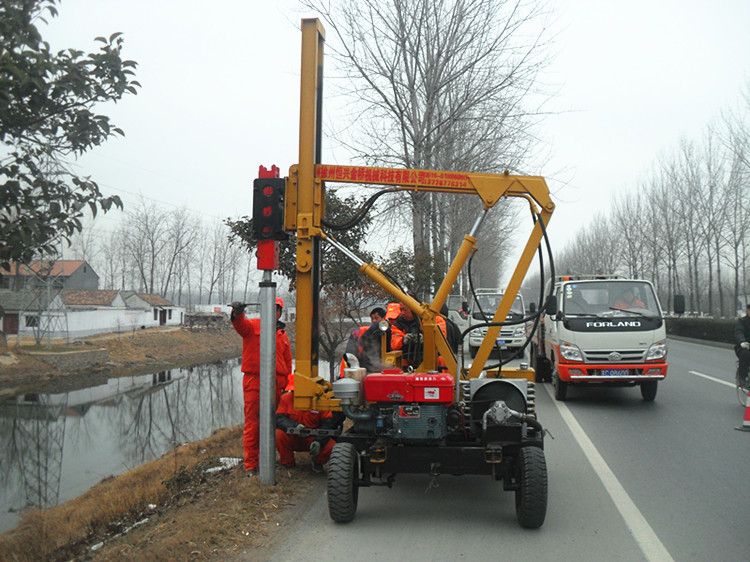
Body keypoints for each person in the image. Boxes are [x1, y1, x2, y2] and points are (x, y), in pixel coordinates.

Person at [230, 297, 292, 476]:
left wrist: (286, 384)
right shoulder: (253, 326)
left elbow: (287, 363)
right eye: (271, 308)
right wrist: (237, 312)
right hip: (255, 382)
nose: (274, 312)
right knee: (253, 424)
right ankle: (251, 465)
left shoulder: (282, 334)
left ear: (280, 312)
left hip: (277, 384)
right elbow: (240, 325)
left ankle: (281, 460)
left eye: (277, 309)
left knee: (277, 423)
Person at [275, 375, 340, 470]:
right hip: (293, 437)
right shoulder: (286, 398)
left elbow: (328, 424)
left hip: (312, 439)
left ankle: (317, 462)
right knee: (279, 435)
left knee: (332, 446)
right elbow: (279, 419)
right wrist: (295, 426)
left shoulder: (320, 401)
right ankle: (287, 464)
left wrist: (319, 441)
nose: (295, 393)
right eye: (293, 391)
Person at [735, 304, 750, 388]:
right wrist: (742, 341)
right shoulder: (741, 321)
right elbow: (738, 332)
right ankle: (742, 378)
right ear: (747, 311)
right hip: (743, 346)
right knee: (746, 353)